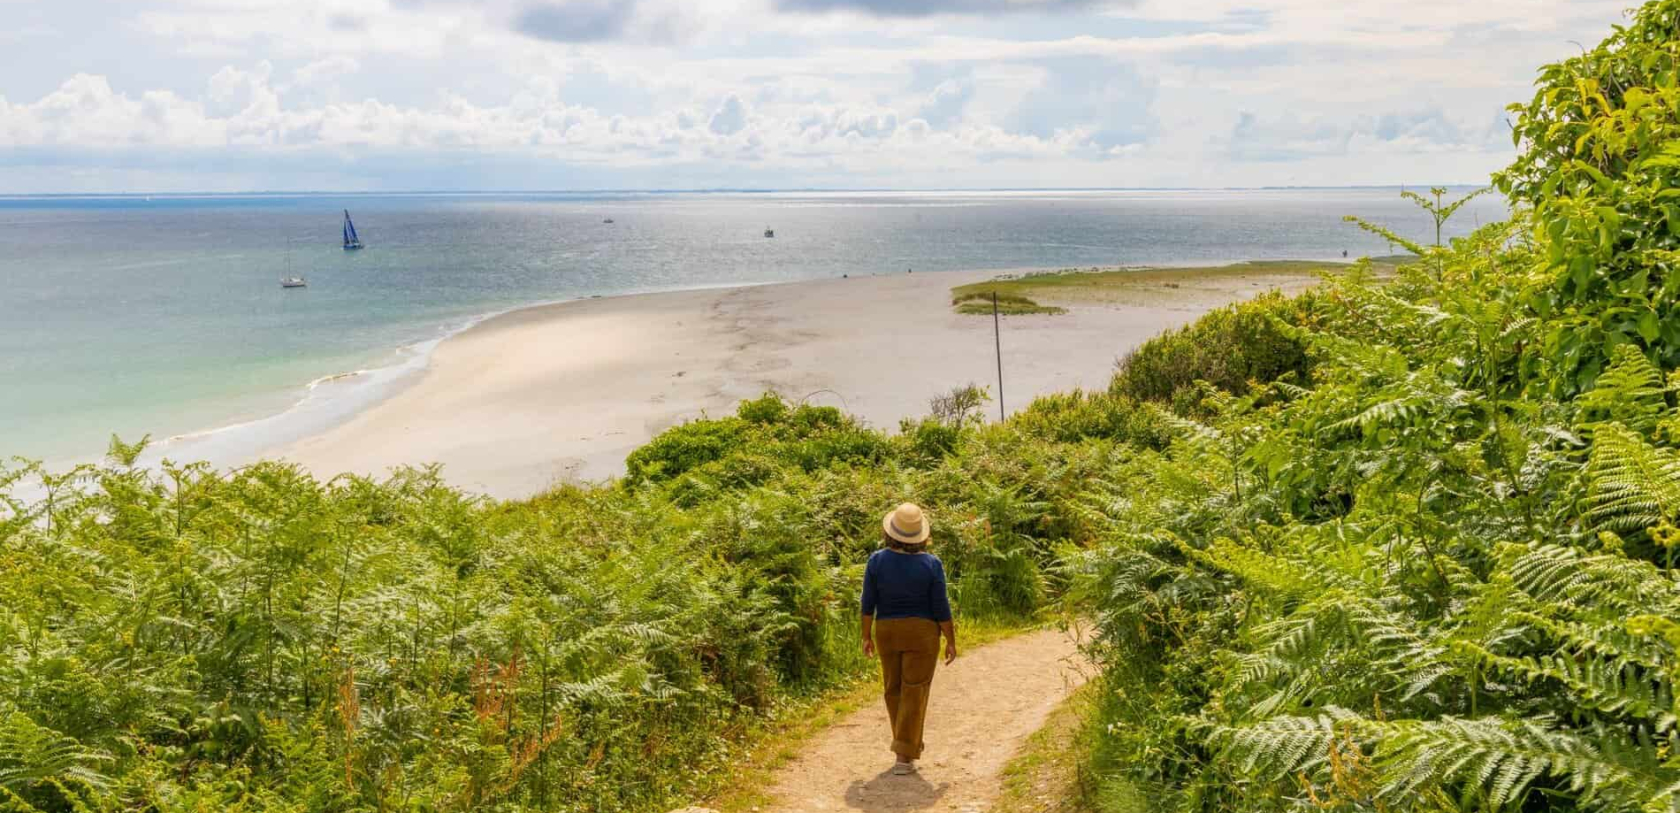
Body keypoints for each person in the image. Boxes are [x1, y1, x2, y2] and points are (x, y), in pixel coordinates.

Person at [860, 503, 956, 776]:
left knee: (893, 689)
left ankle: (905, 745)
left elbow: (868, 603)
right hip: (922, 632)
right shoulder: (931, 564)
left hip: (886, 630)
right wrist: (950, 639)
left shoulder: (876, 561)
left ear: (891, 532)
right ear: (920, 535)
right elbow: (940, 606)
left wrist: (866, 635)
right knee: (915, 689)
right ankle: (904, 755)